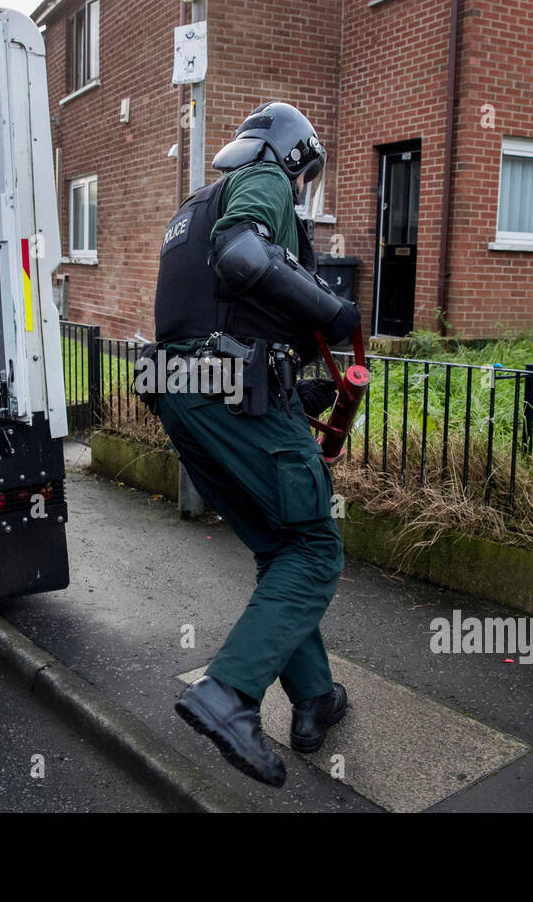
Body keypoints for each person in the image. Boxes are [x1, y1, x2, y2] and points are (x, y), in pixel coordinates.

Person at [151, 102, 361, 786]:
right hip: (225, 392)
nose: (300, 194)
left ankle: (313, 701)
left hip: (185, 393)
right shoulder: (267, 179)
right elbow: (243, 257)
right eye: (306, 179)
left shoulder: (193, 206)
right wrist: (332, 312)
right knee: (313, 546)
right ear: (292, 157)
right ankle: (229, 693)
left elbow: (212, 319)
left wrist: (292, 392)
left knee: (280, 547)